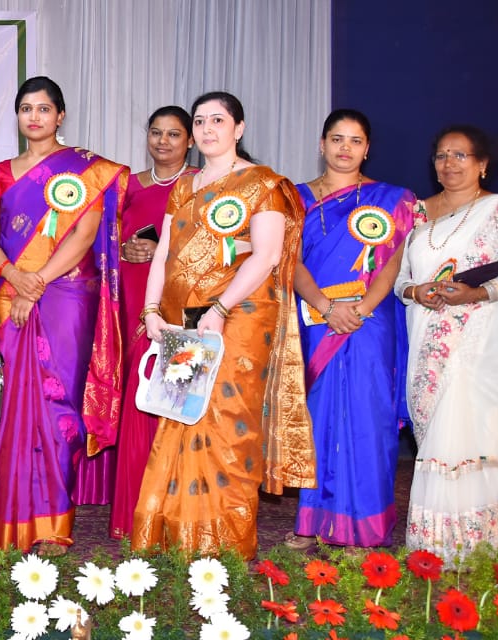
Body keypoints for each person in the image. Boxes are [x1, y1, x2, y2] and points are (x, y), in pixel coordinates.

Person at [133, 91, 315, 559]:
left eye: (218, 120)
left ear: (239, 128)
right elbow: (165, 252)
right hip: (185, 318)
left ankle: (223, 545)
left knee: (227, 422)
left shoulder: (264, 184)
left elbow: (267, 256)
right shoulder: (185, 187)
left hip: (240, 317)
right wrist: (151, 310)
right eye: (200, 121)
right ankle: (181, 535)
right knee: (182, 414)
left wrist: (221, 307)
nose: (207, 129)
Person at [0, 76, 128, 554]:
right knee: (6, 402)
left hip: (66, 295)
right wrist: (15, 277)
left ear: (60, 116)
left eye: (44, 109)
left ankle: (53, 522)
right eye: (26, 108)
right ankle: (0, 518)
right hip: (9, 290)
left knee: (58, 403)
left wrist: (35, 282)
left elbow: (84, 235)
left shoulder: (87, 169)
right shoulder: (2, 172)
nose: (34, 117)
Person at [393, 125, 498, 562]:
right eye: (442, 155)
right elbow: (400, 279)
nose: (449, 163)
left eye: (460, 155)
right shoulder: (418, 215)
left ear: (482, 164)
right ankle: (432, 547)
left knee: (476, 435)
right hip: (428, 340)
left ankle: (476, 549)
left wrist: (478, 292)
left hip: (483, 343)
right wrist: (416, 291)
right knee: (434, 434)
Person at [285, 109, 416, 549]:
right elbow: (289, 262)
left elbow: (392, 262)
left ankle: (365, 527)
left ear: (367, 148)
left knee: (367, 419)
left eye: (355, 140)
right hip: (315, 320)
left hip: (369, 322)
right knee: (317, 417)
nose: (345, 148)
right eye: (337, 139)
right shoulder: (293, 197)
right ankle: (312, 521)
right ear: (321, 144)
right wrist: (326, 307)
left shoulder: (390, 199)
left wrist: (360, 309)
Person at [107, 106, 196, 539]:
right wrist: (123, 248)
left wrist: (164, 251)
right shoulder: (127, 185)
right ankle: (134, 512)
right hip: (132, 297)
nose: (163, 141)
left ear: (190, 141)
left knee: (177, 398)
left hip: (181, 302)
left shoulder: (202, 185)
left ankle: (176, 514)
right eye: (156, 132)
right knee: (138, 394)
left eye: (174, 134)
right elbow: (101, 240)